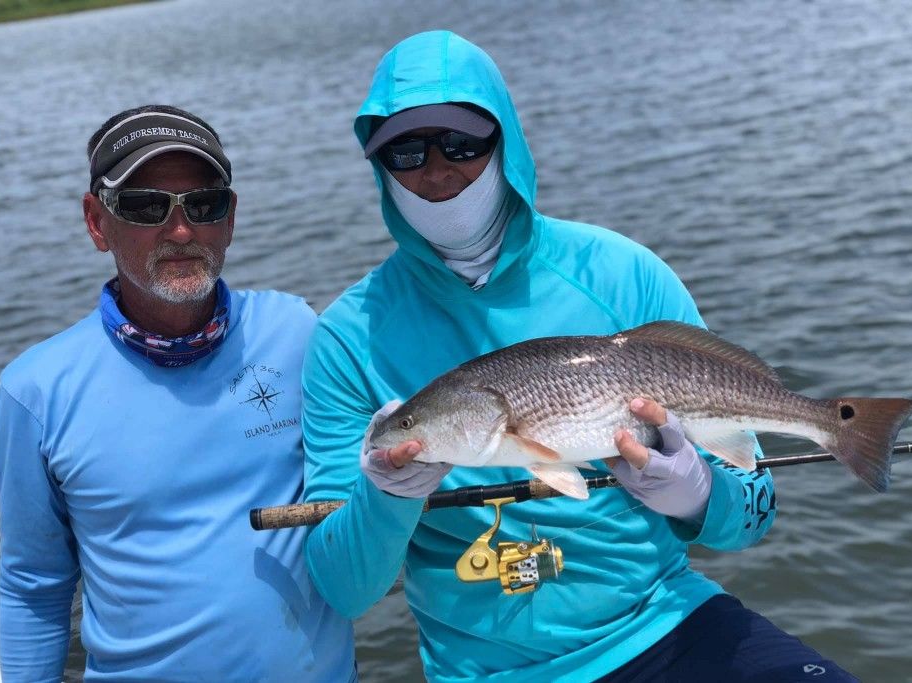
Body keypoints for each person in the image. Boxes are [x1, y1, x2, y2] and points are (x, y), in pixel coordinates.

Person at [301, 31, 859, 682]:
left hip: (669, 622)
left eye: (461, 142)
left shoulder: (625, 275)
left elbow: (754, 513)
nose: (436, 169)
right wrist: (386, 497)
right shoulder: (346, 337)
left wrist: (697, 494)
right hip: (487, 669)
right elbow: (344, 590)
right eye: (404, 149)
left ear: (505, 140)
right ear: (379, 165)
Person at [0, 104, 356, 682]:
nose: (181, 230)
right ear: (95, 221)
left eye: (204, 204)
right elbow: (32, 586)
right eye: (145, 206)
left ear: (230, 219)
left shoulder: (297, 333)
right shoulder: (35, 392)